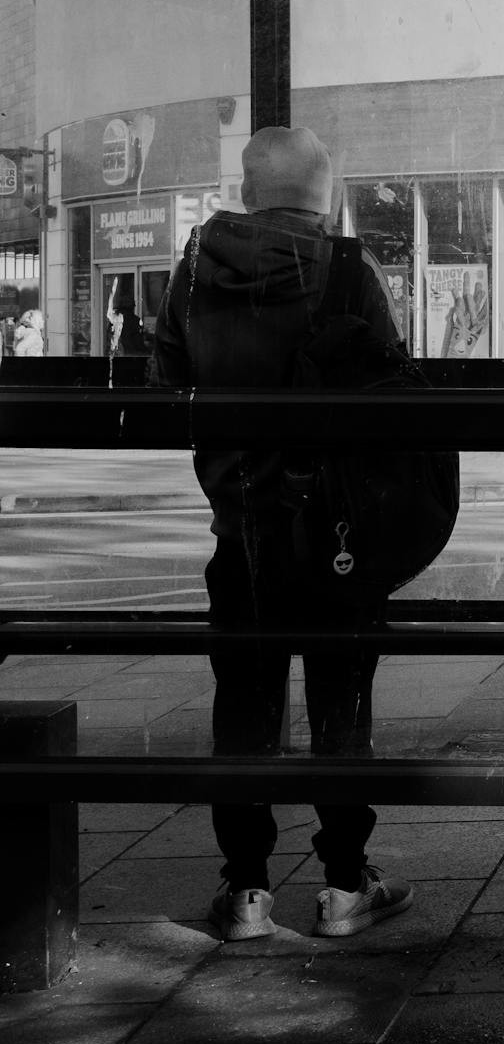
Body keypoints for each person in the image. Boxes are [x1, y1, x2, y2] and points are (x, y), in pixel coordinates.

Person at [151, 125, 415, 941]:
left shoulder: (195, 270)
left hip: (242, 531)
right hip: (335, 533)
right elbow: (393, 391)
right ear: (324, 189)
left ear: (246, 185)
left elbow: (168, 383)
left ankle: (246, 892)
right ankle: (343, 886)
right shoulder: (347, 268)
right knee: (343, 705)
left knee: (246, 707)